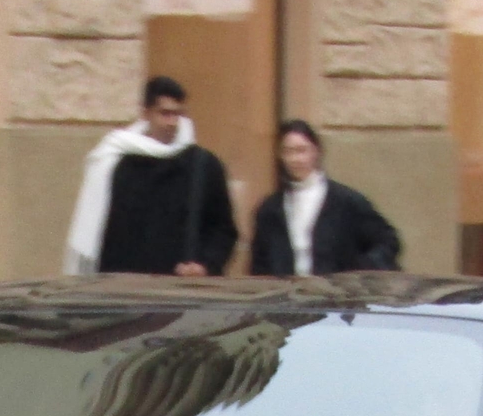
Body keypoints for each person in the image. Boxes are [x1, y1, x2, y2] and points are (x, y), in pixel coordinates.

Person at [65, 76, 238, 278]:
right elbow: (99, 230)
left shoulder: (204, 166)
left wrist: (205, 264)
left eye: (177, 114)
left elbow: (223, 230)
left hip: (185, 295)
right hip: (125, 291)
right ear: (146, 113)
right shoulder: (116, 162)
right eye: (165, 114)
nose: (172, 122)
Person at [248, 121, 402, 276]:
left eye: (301, 150)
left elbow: (388, 241)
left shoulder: (346, 201)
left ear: (316, 151)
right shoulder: (270, 210)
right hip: (288, 297)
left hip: (336, 295)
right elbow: (259, 265)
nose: (295, 159)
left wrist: (359, 271)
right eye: (288, 151)